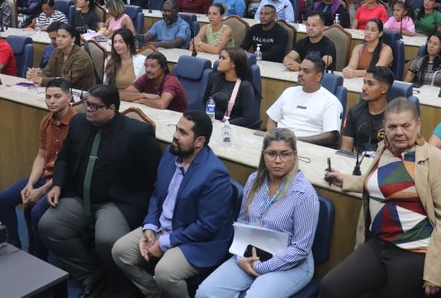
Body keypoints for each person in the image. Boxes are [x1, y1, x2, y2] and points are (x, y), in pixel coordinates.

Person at [322, 97, 441, 298]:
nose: (399, 132)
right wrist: (346, 180)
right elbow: (382, 184)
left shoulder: (436, 160)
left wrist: (436, 272)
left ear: (418, 124)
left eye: (405, 125)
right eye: (392, 126)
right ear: (385, 128)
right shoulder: (385, 149)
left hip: (415, 250)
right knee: (330, 288)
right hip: (379, 244)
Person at [39, 85, 161, 298]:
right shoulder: (78, 123)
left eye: (95, 107)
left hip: (116, 200)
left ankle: (119, 281)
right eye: (87, 104)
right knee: (49, 226)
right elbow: (65, 157)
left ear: (112, 109)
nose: (88, 110)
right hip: (78, 196)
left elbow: (156, 176)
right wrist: (58, 184)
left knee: (107, 239)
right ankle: (91, 273)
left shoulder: (137, 133)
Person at [112, 110, 235, 298]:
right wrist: (150, 227)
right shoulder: (170, 154)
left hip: (198, 240)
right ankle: (155, 293)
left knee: (165, 272)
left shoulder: (214, 174)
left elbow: (207, 226)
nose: (175, 136)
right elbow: (157, 193)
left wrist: (163, 243)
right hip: (163, 226)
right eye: (177, 129)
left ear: (200, 142)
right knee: (120, 252)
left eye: (183, 133)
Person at [195, 129, 319, 298]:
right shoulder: (254, 180)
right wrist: (240, 259)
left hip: (291, 262)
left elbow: (300, 249)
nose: (277, 160)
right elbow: (242, 222)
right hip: (250, 253)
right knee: (205, 293)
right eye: (271, 153)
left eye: (285, 154)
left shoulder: (304, 194)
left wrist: (261, 266)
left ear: (294, 155)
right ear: (263, 154)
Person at [0, 78, 76, 258]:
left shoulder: (77, 124)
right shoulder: (46, 121)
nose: (51, 101)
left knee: (35, 212)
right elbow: (41, 156)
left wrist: (41, 191)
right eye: (48, 97)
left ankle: (38, 258)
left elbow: (71, 168)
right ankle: (12, 245)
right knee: (3, 199)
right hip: (44, 177)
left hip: (63, 182)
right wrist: (31, 184)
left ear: (69, 97)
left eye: (57, 96)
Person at [266, 57, 342, 147]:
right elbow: (272, 119)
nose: (300, 73)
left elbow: (331, 136)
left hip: (308, 147)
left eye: (306, 71)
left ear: (318, 76)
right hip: (278, 143)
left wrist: (295, 141)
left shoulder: (331, 101)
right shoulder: (289, 92)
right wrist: (273, 137)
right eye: (300, 69)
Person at [26, 23, 96, 90]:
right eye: (58, 36)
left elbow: (67, 81)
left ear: (73, 39)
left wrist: (41, 80)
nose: (59, 39)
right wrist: (36, 74)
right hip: (59, 90)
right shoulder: (56, 51)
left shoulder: (81, 57)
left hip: (79, 94)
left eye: (64, 36)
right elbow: (47, 72)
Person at [341, 66, 393, 154]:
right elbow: (345, 151)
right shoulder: (354, 112)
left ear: (384, 89)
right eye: (364, 82)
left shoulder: (395, 116)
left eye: (370, 84)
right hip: (357, 163)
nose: (364, 88)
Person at [202, 49, 260, 127]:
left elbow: (248, 118)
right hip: (210, 124)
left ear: (233, 64)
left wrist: (223, 124)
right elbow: (203, 104)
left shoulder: (245, 86)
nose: (219, 61)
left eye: (223, 58)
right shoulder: (214, 78)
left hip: (231, 128)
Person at [120, 51, 188, 112]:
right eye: (146, 66)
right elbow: (121, 95)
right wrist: (144, 95)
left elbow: (162, 104)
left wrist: (142, 100)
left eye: (153, 66)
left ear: (163, 68)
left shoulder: (171, 81)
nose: (148, 69)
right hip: (156, 113)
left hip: (175, 118)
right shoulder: (146, 77)